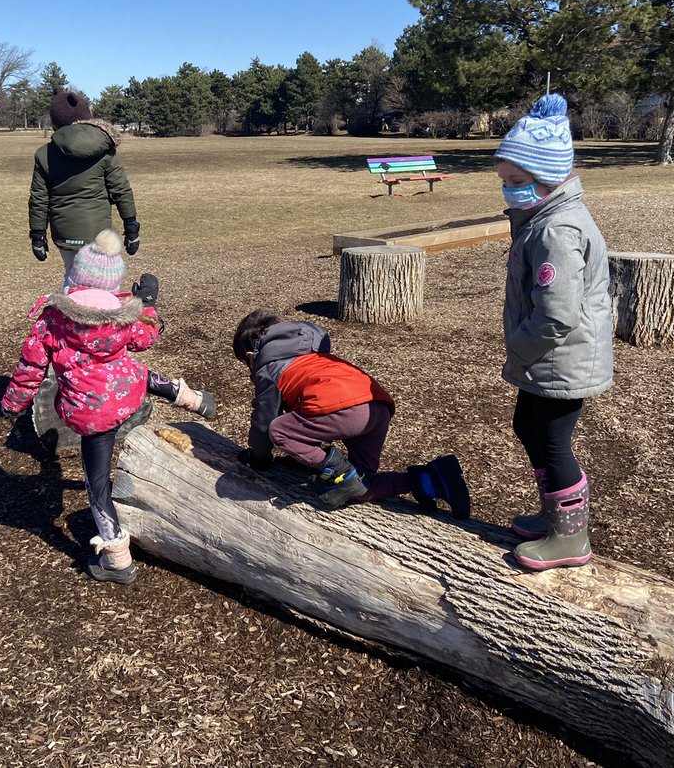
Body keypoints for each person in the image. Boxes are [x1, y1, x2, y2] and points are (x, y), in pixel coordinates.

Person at [0, 230, 215, 585]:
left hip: (91, 413)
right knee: (135, 372)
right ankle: (191, 398)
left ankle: (117, 559)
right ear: (113, 284)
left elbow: (30, 370)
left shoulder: (52, 320)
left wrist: (10, 406)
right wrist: (148, 302)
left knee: (97, 485)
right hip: (125, 395)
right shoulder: (123, 317)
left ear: (75, 279)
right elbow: (147, 337)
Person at [495, 93, 613, 571]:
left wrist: (517, 352)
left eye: (517, 182)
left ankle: (571, 538)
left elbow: (557, 314)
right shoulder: (543, 217)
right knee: (528, 426)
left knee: (550, 440)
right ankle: (555, 518)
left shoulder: (557, 230)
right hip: (550, 358)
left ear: (548, 176)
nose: (508, 191)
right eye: (504, 182)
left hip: (561, 357)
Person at [232, 309, 468, 514]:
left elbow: (264, 421)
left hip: (346, 409)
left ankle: (338, 472)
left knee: (279, 430)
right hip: (377, 404)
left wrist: (259, 457)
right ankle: (431, 479)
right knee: (360, 484)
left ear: (251, 357)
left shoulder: (268, 367)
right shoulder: (311, 353)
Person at [28, 90, 141, 286]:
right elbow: (121, 189)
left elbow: (39, 198)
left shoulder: (44, 154)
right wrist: (131, 225)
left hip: (64, 231)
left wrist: (38, 234)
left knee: (72, 277)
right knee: (106, 281)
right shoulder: (105, 150)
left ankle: (70, 314)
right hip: (98, 231)